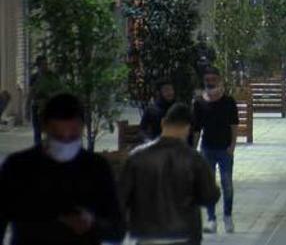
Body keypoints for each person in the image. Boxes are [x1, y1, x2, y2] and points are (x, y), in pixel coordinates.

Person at [0, 93, 125, 245]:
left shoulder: (96, 168)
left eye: (73, 135)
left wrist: (92, 224)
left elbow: (117, 230)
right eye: (58, 135)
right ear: (45, 128)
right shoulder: (18, 167)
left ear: (82, 128)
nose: (65, 140)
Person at [122, 103, 221, 245]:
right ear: (187, 129)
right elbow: (210, 196)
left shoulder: (137, 157)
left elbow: (121, 198)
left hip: (146, 234)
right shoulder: (194, 159)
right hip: (184, 233)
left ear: (163, 122)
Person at [192, 68, 238, 234]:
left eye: (213, 79)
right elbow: (197, 129)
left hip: (224, 149)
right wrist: (194, 149)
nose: (210, 82)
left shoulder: (228, 101)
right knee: (209, 186)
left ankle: (227, 216)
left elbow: (234, 125)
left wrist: (232, 145)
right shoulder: (199, 103)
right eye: (208, 79)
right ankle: (211, 219)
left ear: (219, 80)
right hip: (207, 149)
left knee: (227, 184)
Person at [28, 55, 60, 144]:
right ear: (38, 66)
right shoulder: (34, 77)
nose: (45, 66)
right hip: (37, 106)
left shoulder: (52, 76)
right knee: (37, 131)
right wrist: (27, 105)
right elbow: (31, 92)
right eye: (43, 64)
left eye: (46, 64)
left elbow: (58, 89)